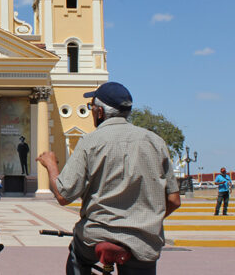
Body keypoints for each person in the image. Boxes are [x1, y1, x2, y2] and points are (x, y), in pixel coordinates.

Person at [37, 82, 181, 275]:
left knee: (77, 258)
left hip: (96, 236)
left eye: (91, 108)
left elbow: (64, 196)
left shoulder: (90, 142)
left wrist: (51, 165)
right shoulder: (155, 142)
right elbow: (174, 200)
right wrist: (145, 222)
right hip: (143, 241)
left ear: (99, 112)